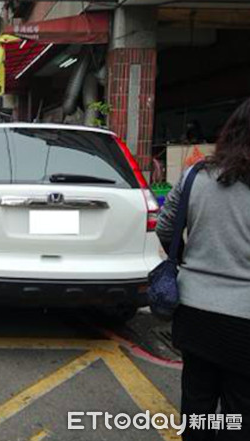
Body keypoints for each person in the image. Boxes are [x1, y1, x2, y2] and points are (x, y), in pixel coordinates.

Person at [156, 98, 250, 441]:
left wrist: (192, 260)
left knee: (197, 408)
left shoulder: (196, 176)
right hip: (245, 321)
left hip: (195, 312)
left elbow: (166, 230)